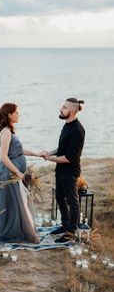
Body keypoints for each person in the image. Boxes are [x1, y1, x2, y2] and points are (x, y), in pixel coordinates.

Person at [0, 103, 44, 244]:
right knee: (14, 203)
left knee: (17, 203)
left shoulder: (11, 130)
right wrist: (18, 172)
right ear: (9, 115)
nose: (19, 115)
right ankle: (13, 232)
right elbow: (4, 156)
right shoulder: (6, 132)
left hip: (12, 172)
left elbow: (19, 150)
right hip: (9, 174)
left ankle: (18, 229)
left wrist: (37, 154)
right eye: (16, 113)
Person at [44, 97, 85, 243]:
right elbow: (62, 148)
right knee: (60, 198)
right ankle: (65, 225)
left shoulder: (78, 130)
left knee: (72, 202)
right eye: (62, 106)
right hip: (60, 170)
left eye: (64, 107)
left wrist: (50, 159)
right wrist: (51, 152)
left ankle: (71, 232)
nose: (61, 109)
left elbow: (68, 157)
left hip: (70, 172)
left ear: (72, 111)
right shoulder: (67, 125)